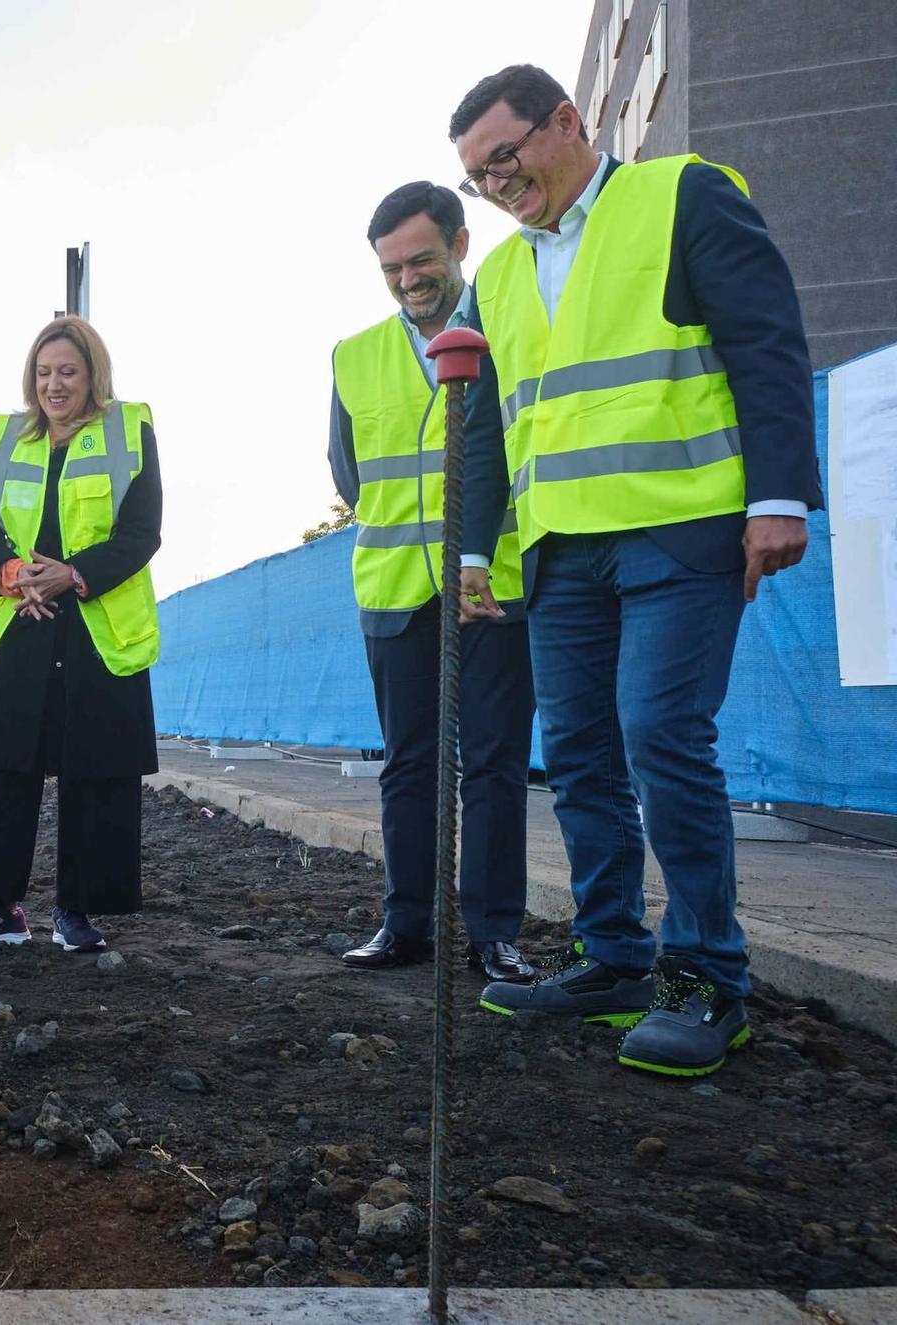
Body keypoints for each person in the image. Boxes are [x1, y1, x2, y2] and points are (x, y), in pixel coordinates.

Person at [449, 66, 823, 1076]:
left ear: (566, 121)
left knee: (661, 734)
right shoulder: (497, 276)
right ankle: (611, 957)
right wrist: (476, 546)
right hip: (560, 548)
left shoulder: (680, 195)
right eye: (479, 176)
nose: (497, 184)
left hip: (678, 527)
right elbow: (487, 426)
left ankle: (705, 978)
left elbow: (764, 343)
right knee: (577, 753)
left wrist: (779, 494)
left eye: (505, 157)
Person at [329, 182, 538, 985]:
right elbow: (348, 471)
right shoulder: (354, 356)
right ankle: (406, 923)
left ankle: (492, 934)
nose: (408, 279)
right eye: (391, 268)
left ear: (460, 245)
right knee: (408, 764)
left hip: (495, 584)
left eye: (421, 260)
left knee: (493, 762)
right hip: (394, 590)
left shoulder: (510, 330)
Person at [0, 316, 161, 952]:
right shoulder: (8, 440)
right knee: (1, 765)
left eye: (67, 372)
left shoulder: (129, 431)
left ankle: (77, 912)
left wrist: (74, 574)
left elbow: (142, 532)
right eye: (43, 373)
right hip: (21, 617)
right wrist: (14, 577)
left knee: (95, 770)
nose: (54, 385)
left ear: (93, 375)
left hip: (98, 623)